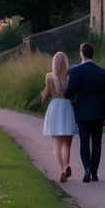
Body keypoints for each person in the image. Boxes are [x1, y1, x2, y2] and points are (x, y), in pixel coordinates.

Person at [64, 42, 105, 183]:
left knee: (84, 143)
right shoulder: (103, 73)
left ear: (81, 54)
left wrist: (64, 93)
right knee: (97, 143)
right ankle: (95, 172)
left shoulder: (76, 71)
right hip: (98, 114)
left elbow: (70, 93)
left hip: (82, 114)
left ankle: (86, 170)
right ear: (92, 54)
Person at [40, 51, 76, 182]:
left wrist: (43, 94)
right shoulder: (70, 77)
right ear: (66, 62)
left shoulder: (49, 77)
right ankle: (67, 166)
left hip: (55, 107)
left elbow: (44, 96)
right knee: (67, 143)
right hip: (67, 107)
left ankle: (62, 169)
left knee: (57, 144)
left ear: (54, 63)